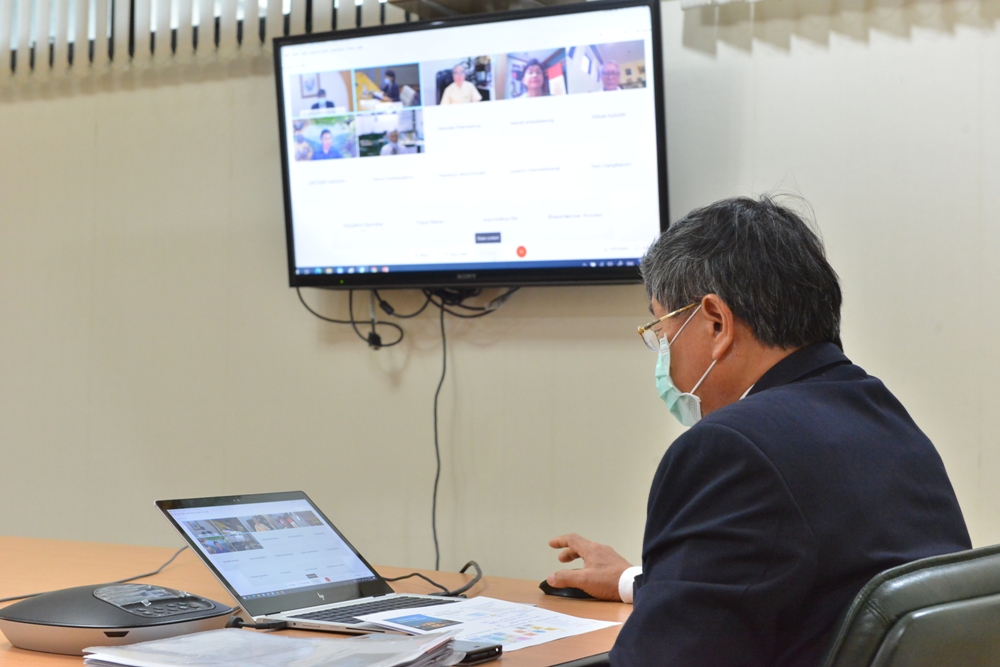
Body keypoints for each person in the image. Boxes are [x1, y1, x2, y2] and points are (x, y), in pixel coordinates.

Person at [545, 196, 971, 667]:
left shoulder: (729, 447)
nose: (664, 356)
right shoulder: (881, 416)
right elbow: (809, 584)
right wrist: (634, 581)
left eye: (662, 333)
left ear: (716, 323)